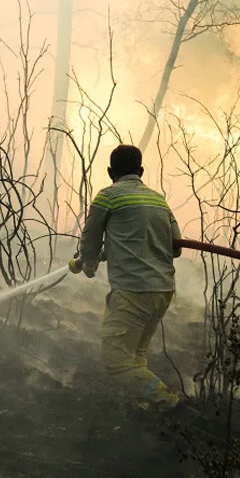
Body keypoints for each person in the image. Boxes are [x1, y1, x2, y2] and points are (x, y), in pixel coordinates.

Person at [72, 144, 184, 414]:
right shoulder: (159, 200)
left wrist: (88, 263)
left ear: (110, 171)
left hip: (134, 290)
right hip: (162, 291)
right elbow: (176, 248)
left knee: (116, 362)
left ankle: (170, 404)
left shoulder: (108, 197)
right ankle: (146, 411)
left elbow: (90, 240)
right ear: (141, 171)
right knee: (135, 357)